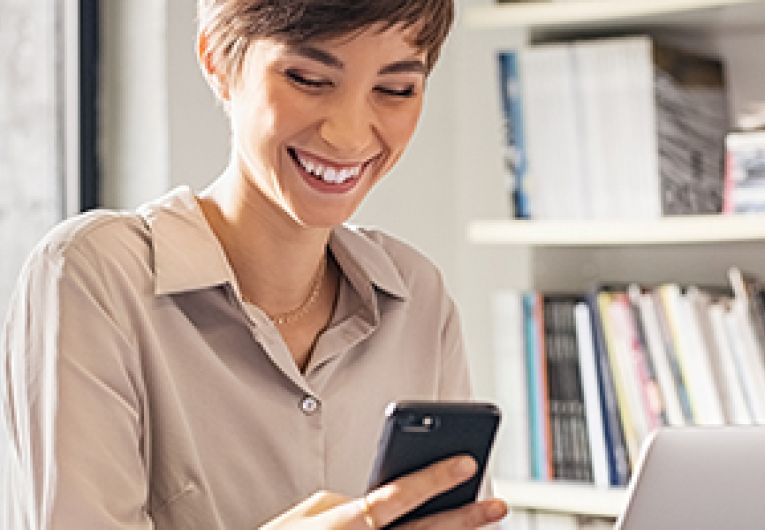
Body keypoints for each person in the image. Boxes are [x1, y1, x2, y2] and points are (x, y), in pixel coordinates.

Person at [0, 1, 509, 528]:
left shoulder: (417, 296)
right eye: (309, 79)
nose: (350, 134)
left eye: (396, 90)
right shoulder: (94, 277)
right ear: (219, 61)